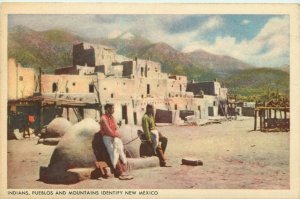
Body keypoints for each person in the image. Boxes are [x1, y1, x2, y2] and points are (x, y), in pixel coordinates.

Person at [100, 103, 133, 180]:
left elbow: (116, 128)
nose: (113, 110)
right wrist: (116, 135)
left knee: (120, 150)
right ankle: (120, 172)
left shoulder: (112, 118)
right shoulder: (103, 118)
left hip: (114, 137)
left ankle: (124, 171)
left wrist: (117, 135)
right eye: (112, 108)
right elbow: (108, 131)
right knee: (113, 152)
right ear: (107, 109)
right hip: (107, 138)